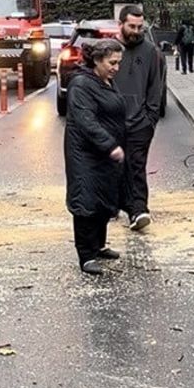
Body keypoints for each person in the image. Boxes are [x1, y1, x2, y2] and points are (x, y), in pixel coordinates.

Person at [64, 39, 127, 276]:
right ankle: (86, 256)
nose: (116, 68)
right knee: (86, 201)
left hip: (103, 154)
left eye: (118, 63)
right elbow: (85, 121)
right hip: (85, 153)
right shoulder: (81, 85)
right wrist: (110, 145)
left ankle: (99, 246)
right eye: (112, 63)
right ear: (97, 60)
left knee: (103, 198)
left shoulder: (105, 81)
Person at [112, 5, 165, 231]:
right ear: (120, 24)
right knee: (113, 166)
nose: (136, 31)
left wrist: (150, 119)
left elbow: (156, 87)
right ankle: (114, 204)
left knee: (136, 165)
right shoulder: (109, 51)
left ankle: (139, 209)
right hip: (112, 122)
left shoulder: (151, 52)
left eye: (139, 27)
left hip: (139, 123)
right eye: (131, 26)